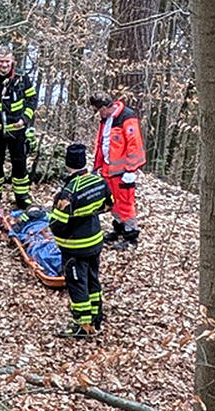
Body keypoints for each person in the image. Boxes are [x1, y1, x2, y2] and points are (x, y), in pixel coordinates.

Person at [49, 143, 112, 338]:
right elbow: (109, 205)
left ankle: (81, 325)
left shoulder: (68, 192)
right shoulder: (98, 181)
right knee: (93, 279)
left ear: (68, 164)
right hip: (95, 241)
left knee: (77, 284)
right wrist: (88, 213)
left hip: (75, 247)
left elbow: (58, 224)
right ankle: (96, 316)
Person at [0, 44, 38, 212]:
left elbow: (32, 100)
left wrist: (25, 119)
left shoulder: (22, 78)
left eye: (7, 62)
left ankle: (22, 196)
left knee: (20, 163)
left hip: (17, 130)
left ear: (13, 61)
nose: (4, 65)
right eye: (1, 61)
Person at [89, 92, 146, 250]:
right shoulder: (106, 119)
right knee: (113, 202)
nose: (99, 114)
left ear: (106, 107)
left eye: (99, 110)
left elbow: (134, 144)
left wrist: (131, 170)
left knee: (126, 204)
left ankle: (131, 235)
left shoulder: (127, 117)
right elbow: (103, 142)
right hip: (109, 168)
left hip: (122, 171)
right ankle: (119, 229)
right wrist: (98, 166)